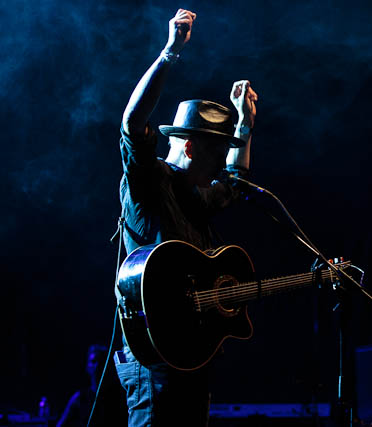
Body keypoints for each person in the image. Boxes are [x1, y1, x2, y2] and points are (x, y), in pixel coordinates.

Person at [113, 8, 258, 426]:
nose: (221, 162)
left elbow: (235, 179)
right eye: (216, 151)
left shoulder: (199, 198)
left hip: (191, 353)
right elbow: (132, 123)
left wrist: (245, 125)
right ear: (191, 149)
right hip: (153, 358)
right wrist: (170, 53)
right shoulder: (150, 180)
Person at [57, 345, 127, 426]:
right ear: (87, 366)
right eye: (93, 361)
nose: (97, 365)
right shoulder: (80, 398)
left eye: (101, 362)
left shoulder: (118, 397)